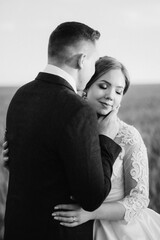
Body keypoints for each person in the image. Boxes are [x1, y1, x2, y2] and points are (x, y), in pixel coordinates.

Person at [2, 22, 121, 240]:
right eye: (94, 62)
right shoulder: (78, 109)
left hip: (16, 229)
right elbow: (92, 198)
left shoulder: (20, 96)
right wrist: (105, 139)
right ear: (82, 60)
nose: (93, 69)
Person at [52, 56, 160, 239]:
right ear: (86, 87)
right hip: (71, 231)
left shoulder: (128, 137)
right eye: (103, 86)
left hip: (121, 231)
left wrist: (91, 213)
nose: (111, 95)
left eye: (119, 91)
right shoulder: (68, 129)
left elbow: (139, 199)